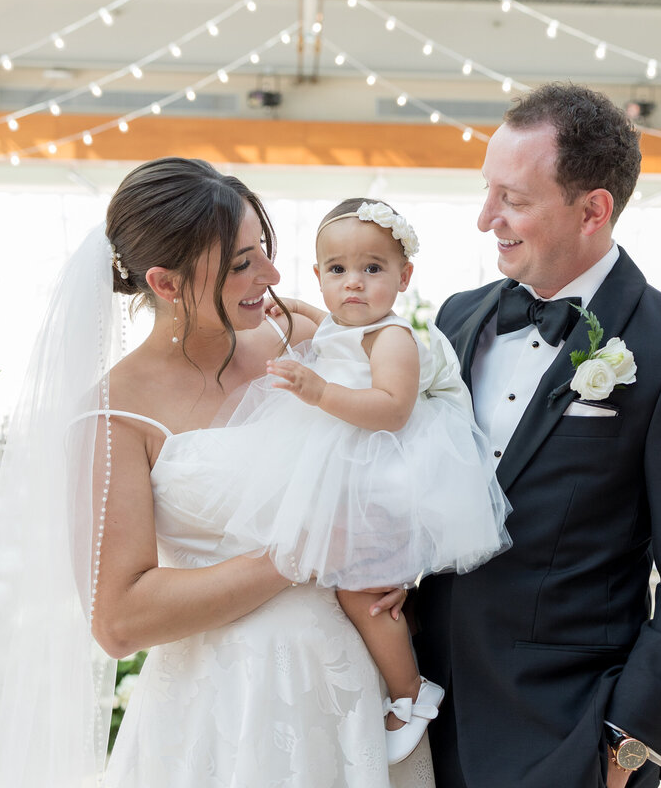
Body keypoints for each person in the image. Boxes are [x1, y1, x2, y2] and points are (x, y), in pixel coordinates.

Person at [0, 158, 435, 787]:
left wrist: (400, 557)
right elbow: (119, 620)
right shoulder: (111, 414)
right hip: (228, 712)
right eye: (240, 264)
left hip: (356, 690)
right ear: (166, 283)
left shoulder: (301, 332)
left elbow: (394, 445)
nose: (272, 275)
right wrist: (298, 554)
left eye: (263, 249)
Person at [412, 82, 661, 788]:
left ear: (594, 209)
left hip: (567, 736)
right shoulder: (458, 318)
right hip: (425, 718)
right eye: (486, 191)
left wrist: (628, 745)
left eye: (514, 200)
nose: (484, 219)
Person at [187, 197, 510, 764]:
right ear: (319, 276)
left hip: (390, 477)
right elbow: (310, 316)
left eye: (373, 269)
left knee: (362, 594)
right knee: (339, 578)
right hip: (359, 471)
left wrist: (317, 391)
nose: (353, 284)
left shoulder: (393, 339)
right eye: (337, 271)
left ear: (404, 276)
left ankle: (411, 694)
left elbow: (391, 409)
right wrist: (269, 303)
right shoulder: (339, 324)